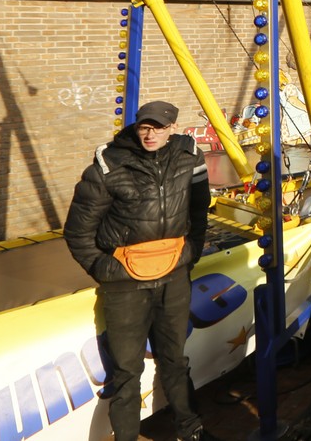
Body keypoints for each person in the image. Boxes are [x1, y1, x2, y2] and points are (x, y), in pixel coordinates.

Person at [63, 101, 214, 441]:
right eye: (145, 127)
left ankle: (191, 431)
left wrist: (190, 253)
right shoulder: (108, 165)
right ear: (136, 126)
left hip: (174, 275)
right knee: (127, 372)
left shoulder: (190, 156)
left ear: (172, 128)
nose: (150, 134)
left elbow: (199, 210)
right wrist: (104, 268)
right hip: (124, 284)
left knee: (175, 360)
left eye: (158, 128)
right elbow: (77, 230)